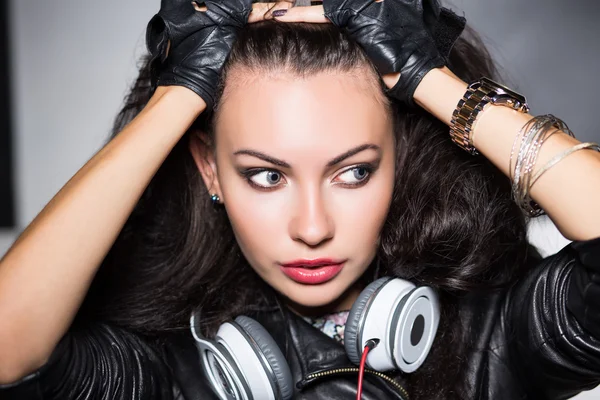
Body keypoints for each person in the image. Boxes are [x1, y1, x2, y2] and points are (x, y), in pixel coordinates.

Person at [1, 0, 599, 399]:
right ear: (210, 168)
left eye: (354, 172)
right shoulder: (170, 369)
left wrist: (430, 80)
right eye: (266, 176)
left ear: (400, 161)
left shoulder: (493, 333)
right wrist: (177, 97)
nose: (311, 228)